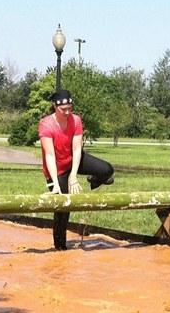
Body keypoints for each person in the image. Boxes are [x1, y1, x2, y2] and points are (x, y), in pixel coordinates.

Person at [38, 88, 115, 250]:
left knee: (107, 170)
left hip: (74, 160)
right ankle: (60, 247)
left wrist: (73, 176)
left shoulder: (76, 120)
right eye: (63, 109)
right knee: (63, 207)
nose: (67, 112)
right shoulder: (46, 124)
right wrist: (56, 185)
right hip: (56, 169)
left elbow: (76, 150)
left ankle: (93, 179)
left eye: (69, 109)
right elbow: (49, 156)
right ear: (55, 106)